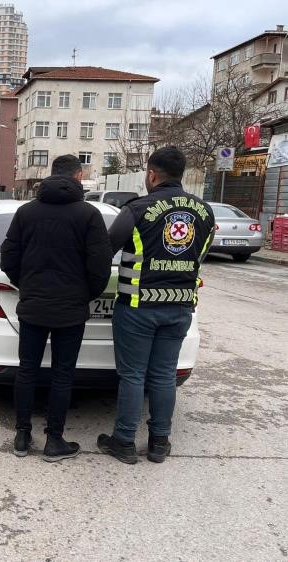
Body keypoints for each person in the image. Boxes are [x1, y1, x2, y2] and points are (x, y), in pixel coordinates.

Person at [97, 146, 215, 464]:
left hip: (137, 305)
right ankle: (159, 443)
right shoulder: (205, 212)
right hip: (180, 308)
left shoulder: (138, 209)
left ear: (151, 174)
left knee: (133, 375)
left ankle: (123, 442)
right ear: (181, 173)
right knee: (163, 375)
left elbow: (106, 248)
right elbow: (200, 255)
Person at [0, 155, 112, 461]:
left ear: (52, 175)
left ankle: (22, 437)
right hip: (71, 308)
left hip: (33, 304)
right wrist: (86, 294)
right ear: (78, 176)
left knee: (27, 369)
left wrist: (26, 285)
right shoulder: (89, 215)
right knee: (63, 374)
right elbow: (100, 266)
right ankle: (54, 441)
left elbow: (8, 258)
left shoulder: (26, 212)